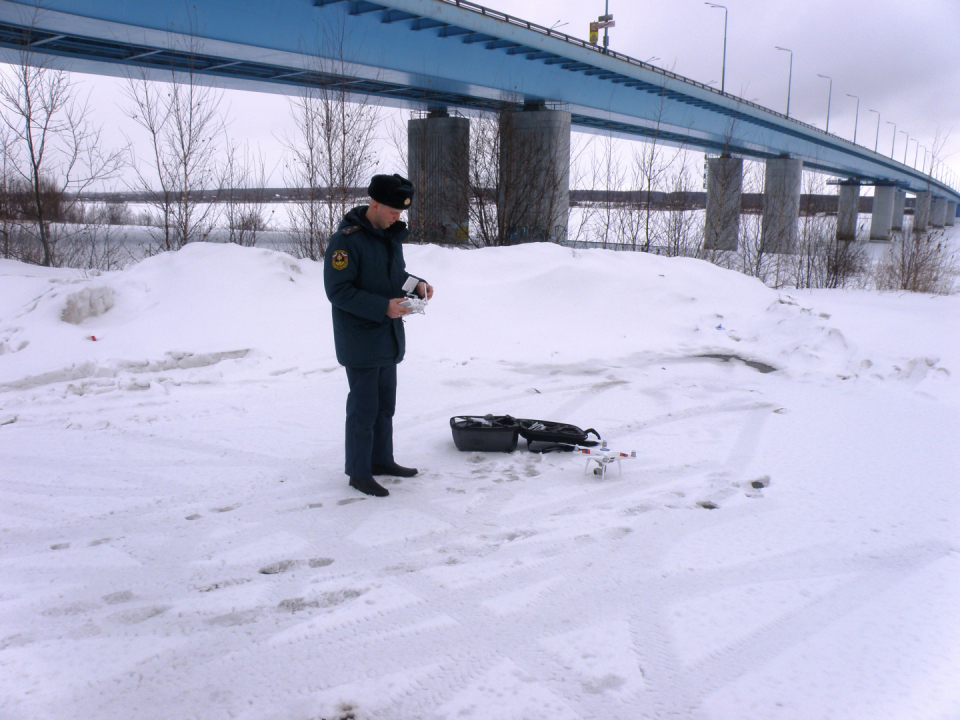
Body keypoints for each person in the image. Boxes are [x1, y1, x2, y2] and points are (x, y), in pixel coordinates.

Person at [323, 174, 434, 497]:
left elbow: (394, 276)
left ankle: (381, 460)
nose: (397, 218)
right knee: (364, 409)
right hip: (360, 339)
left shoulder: (388, 237)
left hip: (387, 337)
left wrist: (418, 285)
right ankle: (359, 472)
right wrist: (382, 307)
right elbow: (338, 291)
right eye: (393, 212)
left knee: (385, 406)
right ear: (375, 204)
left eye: (400, 213)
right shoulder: (346, 241)